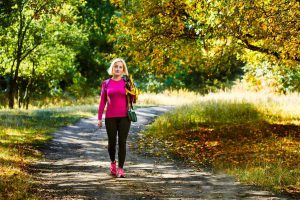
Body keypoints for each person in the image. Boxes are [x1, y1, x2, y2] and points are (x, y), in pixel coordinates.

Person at [98, 58, 131, 178]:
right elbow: (102, 101)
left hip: (125, 117)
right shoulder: (106, 83)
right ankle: (113, 163)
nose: (118, 69)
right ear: (112, 68)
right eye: (116, 66)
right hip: (110, 117)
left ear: (123, 69)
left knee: (122, 142)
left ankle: (121, 169)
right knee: (112, 143)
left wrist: (133, 92)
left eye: (120, 67)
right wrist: (99, 118)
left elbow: (132, 100)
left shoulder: (127, 83)